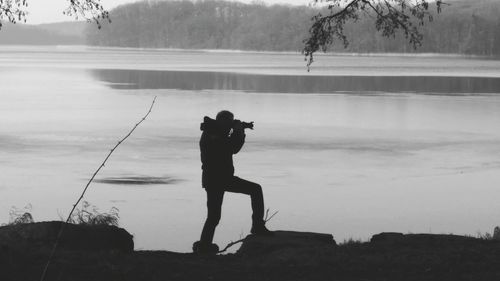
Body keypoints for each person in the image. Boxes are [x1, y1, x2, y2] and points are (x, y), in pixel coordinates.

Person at [193, 110, 273, 254]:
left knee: (213, 216)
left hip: (216, 179)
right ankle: (257, 226)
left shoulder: (213, 131)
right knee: (255, 190)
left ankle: (204, 245)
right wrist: (239, 132)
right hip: (218, 179)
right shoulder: (213, 135)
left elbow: (229, 145)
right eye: (229, 122)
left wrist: (239, 129)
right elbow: (233, 148)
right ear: (222, 122)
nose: (231, 125)